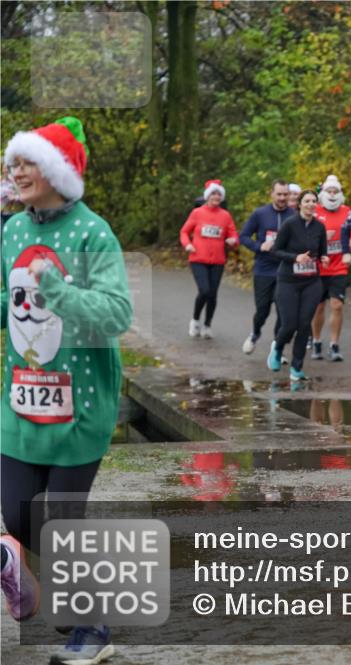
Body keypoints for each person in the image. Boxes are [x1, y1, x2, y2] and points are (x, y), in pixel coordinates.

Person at [2, 116, 132, 664]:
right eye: (14, 163)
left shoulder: (92, 231)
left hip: (81, 404)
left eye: (28, 162)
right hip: (21, 399)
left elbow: (118, 313)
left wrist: (59, 291)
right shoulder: (11, 230)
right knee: (18, 514)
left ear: (56, 169)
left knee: (64, 516)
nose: (17, 171)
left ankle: (92, 626)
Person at [267, 189, 329, 381]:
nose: (311, 204)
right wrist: (295, 257)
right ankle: (277, 349)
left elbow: (322, 251)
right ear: (300, 204)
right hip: (288, 281)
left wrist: (324, 258)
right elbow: (275, 251)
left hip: (311, 281)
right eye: (307, 201)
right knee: (289, 324)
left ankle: (297, 367)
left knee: (304, 325)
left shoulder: (320, 227)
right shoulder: (290, 224)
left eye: (314, 201)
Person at [239, 180, 294, 354]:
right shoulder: (260, 214)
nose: (282, 198)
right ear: (271, 194)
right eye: (279, 194)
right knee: (262, 310)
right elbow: (244, 236)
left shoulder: (294, 216)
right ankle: (255, 333)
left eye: (285, 194)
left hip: (285, 270)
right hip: (263, 269)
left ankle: (277, 348)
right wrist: (258, 246)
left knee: (283, 311)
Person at [179, 180, 238, 339]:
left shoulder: (225, 216)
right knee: (204, 290)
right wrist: (188, 245)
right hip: (198, 258)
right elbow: (184, 232)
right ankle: (195, 320)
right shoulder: (197, 213)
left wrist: (233, 241)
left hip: (218, 261)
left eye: (219, 194)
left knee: (212, 294)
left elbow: (233, 234)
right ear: (207, 196)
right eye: (213, 193)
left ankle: (207, 325)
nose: (216, 197)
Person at [310, 175, 351, 361]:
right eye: (329, 191)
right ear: (323, 193)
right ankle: (316, 341)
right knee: (318, 307)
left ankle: (334, 345)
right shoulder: (315, 211)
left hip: (339, 267)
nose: (332, 194)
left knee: (337, 305)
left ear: (340, 193)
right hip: (319, 267)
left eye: (335, 191)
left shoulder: (347, 211)